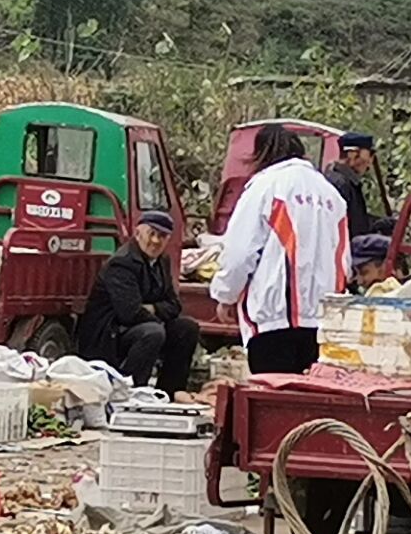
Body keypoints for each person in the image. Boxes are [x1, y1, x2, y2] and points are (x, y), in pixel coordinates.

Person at [209, 123, 349, 374]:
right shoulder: (331, 195)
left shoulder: (264, 187)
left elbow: (240, 253)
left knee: (271, 395)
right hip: (321, 321)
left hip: (273, 317)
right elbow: (344, 260)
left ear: (261, 154)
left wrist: (225, 295)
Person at [76, 210, 199, 394]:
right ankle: (131, 390)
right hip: (109, 332)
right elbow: (129, 312)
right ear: (138, 233)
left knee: (187, 328)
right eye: (152, 234)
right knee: (153, 332)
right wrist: (158, 314)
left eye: (162, 236)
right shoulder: (121, 263)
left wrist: (152, 308)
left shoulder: (161, 261)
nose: (156, 241)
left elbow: (174, 305)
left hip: (138, 324)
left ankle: (170, 392)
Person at [324, 131, 376, 238]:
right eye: (369, 155)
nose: (370, 162)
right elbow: (352, 229)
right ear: (352, 154)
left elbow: (358, 220)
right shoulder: (339, 184)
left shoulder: (344, 181)